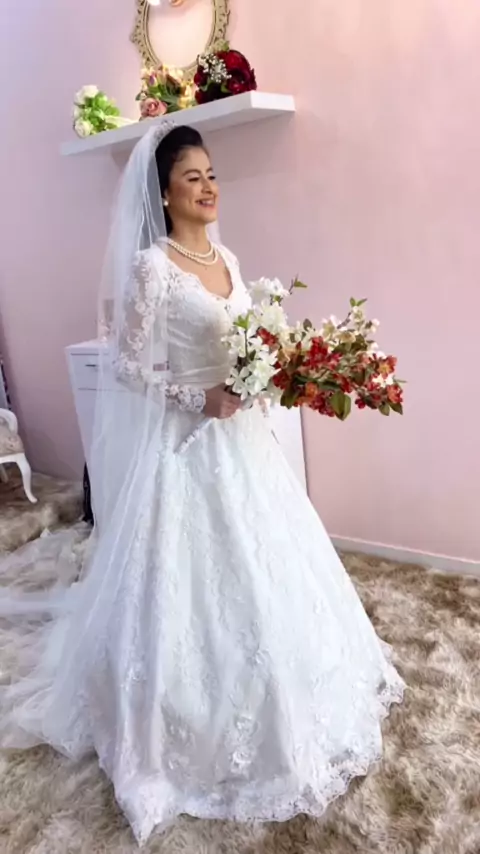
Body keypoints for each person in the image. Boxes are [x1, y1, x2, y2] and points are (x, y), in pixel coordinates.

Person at [0, 123, 404, 845]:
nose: (209, 187)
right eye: (193, 177)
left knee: (274, 568)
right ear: (164, 192)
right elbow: (129, 366)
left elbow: (244, 340)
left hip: (242, 443)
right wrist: (198, 397)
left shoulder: (227, 257)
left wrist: (268, 371)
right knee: (181, 595)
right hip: (185, 449)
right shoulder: (152, 268)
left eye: (212, 174)